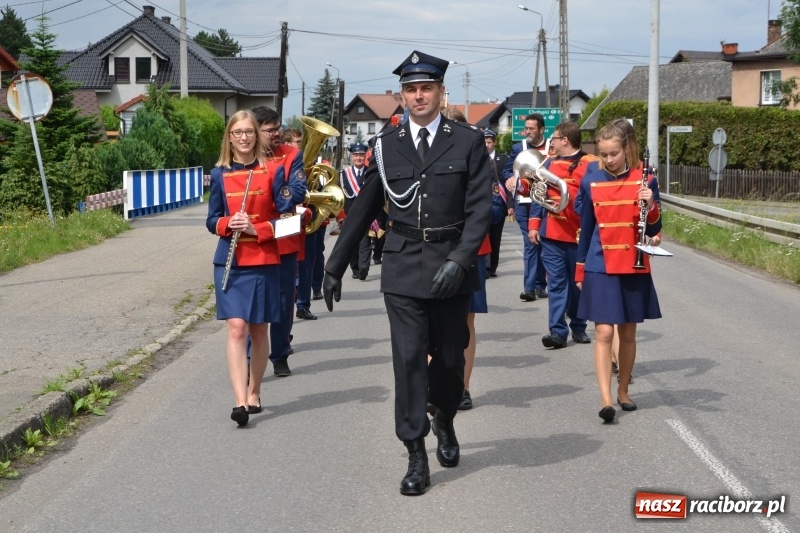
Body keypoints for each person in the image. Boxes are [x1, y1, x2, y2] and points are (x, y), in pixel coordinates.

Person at [322, 50, 492, 495]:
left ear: (439, 92)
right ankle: (415, 452)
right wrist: (335, 265)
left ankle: (445, 415)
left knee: (452, 358)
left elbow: (479, 210)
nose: (419, 96)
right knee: (409, 359)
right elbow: (363, 208)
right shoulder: (385, 145)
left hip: (451, 265)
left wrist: (460, 260)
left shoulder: (468, 141)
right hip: (401, 267)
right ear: (402, 95)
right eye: (411, 89)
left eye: (427, 88)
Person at [205, 109, 294, 425]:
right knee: (236, 327)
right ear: (229, 137)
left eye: (249, 132)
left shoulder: (273, 171)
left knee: (258, 329)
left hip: (263, 260)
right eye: (237, 132)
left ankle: (255, 392)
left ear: (257, 136)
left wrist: (260, 229)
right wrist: (230, 223)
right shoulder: (218, 175)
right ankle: (240, 401)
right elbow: (211, 220)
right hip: (230, 262)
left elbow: (291, 222)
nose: (243, 137)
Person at [575, 121, 662, 424]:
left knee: (627, 332)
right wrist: (580, 268)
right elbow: (586, 227)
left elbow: (655, 229)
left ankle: (624, 390)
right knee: (603, 331)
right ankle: (606, 398)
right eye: (604, 154)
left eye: (614, 153)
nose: (609, 159)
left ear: (626, 149)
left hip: (633, 262)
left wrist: (650, 205)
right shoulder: (591, 180)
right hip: (600, 261)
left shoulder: (645, 179)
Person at [527, 121, 596, 349]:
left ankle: (578, 326)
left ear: (565, 140)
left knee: (578, 285)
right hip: (553, 233)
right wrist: (534, 224)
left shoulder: (591, 164)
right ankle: (557, 331)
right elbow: (539, 194)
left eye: (555, 138)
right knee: (556, 283)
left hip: (579, 235)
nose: (552, 142)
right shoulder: (548, 163)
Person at [252, 106, 306, 377]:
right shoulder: (244, 156)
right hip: (254, 238)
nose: (276, 133)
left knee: (285, 301)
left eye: (277, 128)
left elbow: (296, 193)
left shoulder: (292, 153)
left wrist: (268, 194)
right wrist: (278, 190)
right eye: (270, 129)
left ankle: (281, 354)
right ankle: (252, 355)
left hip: (284, 234)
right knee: (255, 299)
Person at [502, 113, 548, 302]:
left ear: (541, 130)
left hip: (545, 204)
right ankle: (529, 288)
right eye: (526, 128)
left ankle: (540, 285)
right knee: (530, 243)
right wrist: (510, 178)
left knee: (542, 242)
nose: (527, 132)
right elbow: (507, 169)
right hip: (525, 204)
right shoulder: (518, 148)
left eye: (531, 128)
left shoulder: (551, 148)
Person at [340, 142, 372, 280]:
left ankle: (364, 267)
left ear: (365, 156)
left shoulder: (370, 173)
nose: (358, 158)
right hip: (349, 214)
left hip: (365, 214)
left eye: (361, 155)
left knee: (365, 241)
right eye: (356, 155)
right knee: (352, 243)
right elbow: (339, 196)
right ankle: (355, 269)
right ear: (352, 157)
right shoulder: (343, 174)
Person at [484, 128, 511, 278]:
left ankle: (492, 266)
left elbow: (508, 183)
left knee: (495, 236)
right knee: (484, 234)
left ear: (494, 143)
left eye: (489, 142)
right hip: (483, 202)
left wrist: (510, 205)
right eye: (484, 142)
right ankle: (486, 266)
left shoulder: (504, 160)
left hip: (499, 204)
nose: (486, 145)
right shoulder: (478, 159)